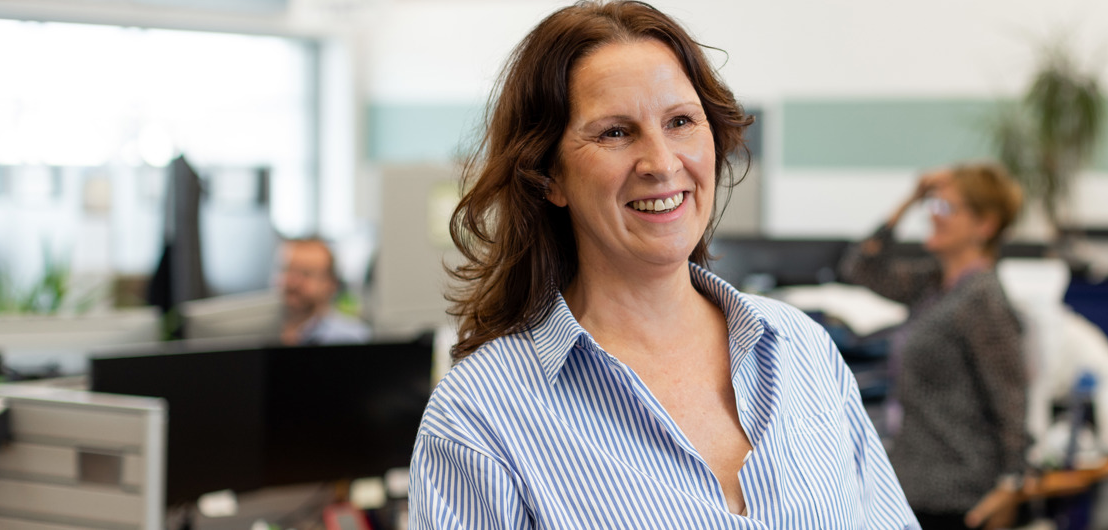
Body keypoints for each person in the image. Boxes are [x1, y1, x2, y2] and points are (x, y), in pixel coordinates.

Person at [408, 2, 916, 528]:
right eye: (615, 132)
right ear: (547, 176)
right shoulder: (479, 419)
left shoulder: (801, 350)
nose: (662, 163)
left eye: (680, 121)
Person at [841, 163, 1028, 530]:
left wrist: (1012, 485)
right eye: (932, 207)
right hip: (915, 485)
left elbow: (1010, 401)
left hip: (959, 495)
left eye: (946, 208)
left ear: (984, 225)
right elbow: (861, 267)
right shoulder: (934, 286)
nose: (933, 217)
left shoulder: (982, 299)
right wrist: (911, 198)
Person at [277, 237, 369, 346]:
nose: (293, 282)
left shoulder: (351, 338)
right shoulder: (265, 332)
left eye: (306, 274)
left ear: (331, 284)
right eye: (288, 270)